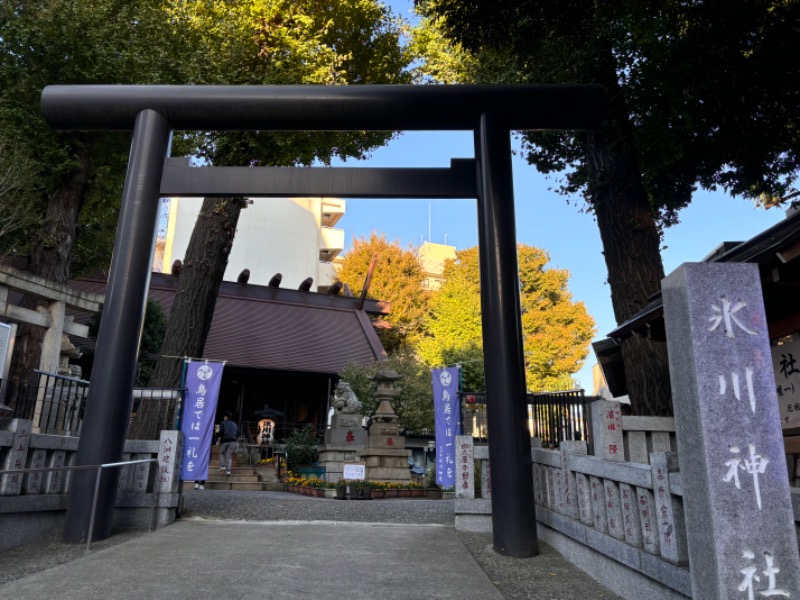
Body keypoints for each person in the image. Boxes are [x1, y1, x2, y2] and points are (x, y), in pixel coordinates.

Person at [218, 410, 239, 476]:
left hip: (225, 441)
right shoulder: (235, 424)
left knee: (221, 453)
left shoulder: (223, 423)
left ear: (225, 417)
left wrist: (218, 438)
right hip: (233, 441)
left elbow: (220, 432)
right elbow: (238, 433)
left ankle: (222, 466)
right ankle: (228, 471)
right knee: (229, 456)